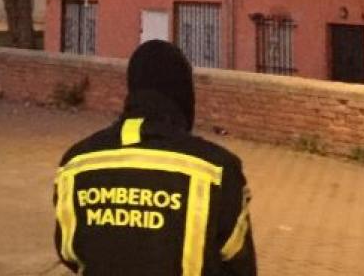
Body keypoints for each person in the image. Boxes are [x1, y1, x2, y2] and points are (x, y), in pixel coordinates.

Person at [53, 39, 256, 276]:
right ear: (184, 95)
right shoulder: (218, 170)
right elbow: (240, 266)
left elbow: (69, 252)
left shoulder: (76, 163)